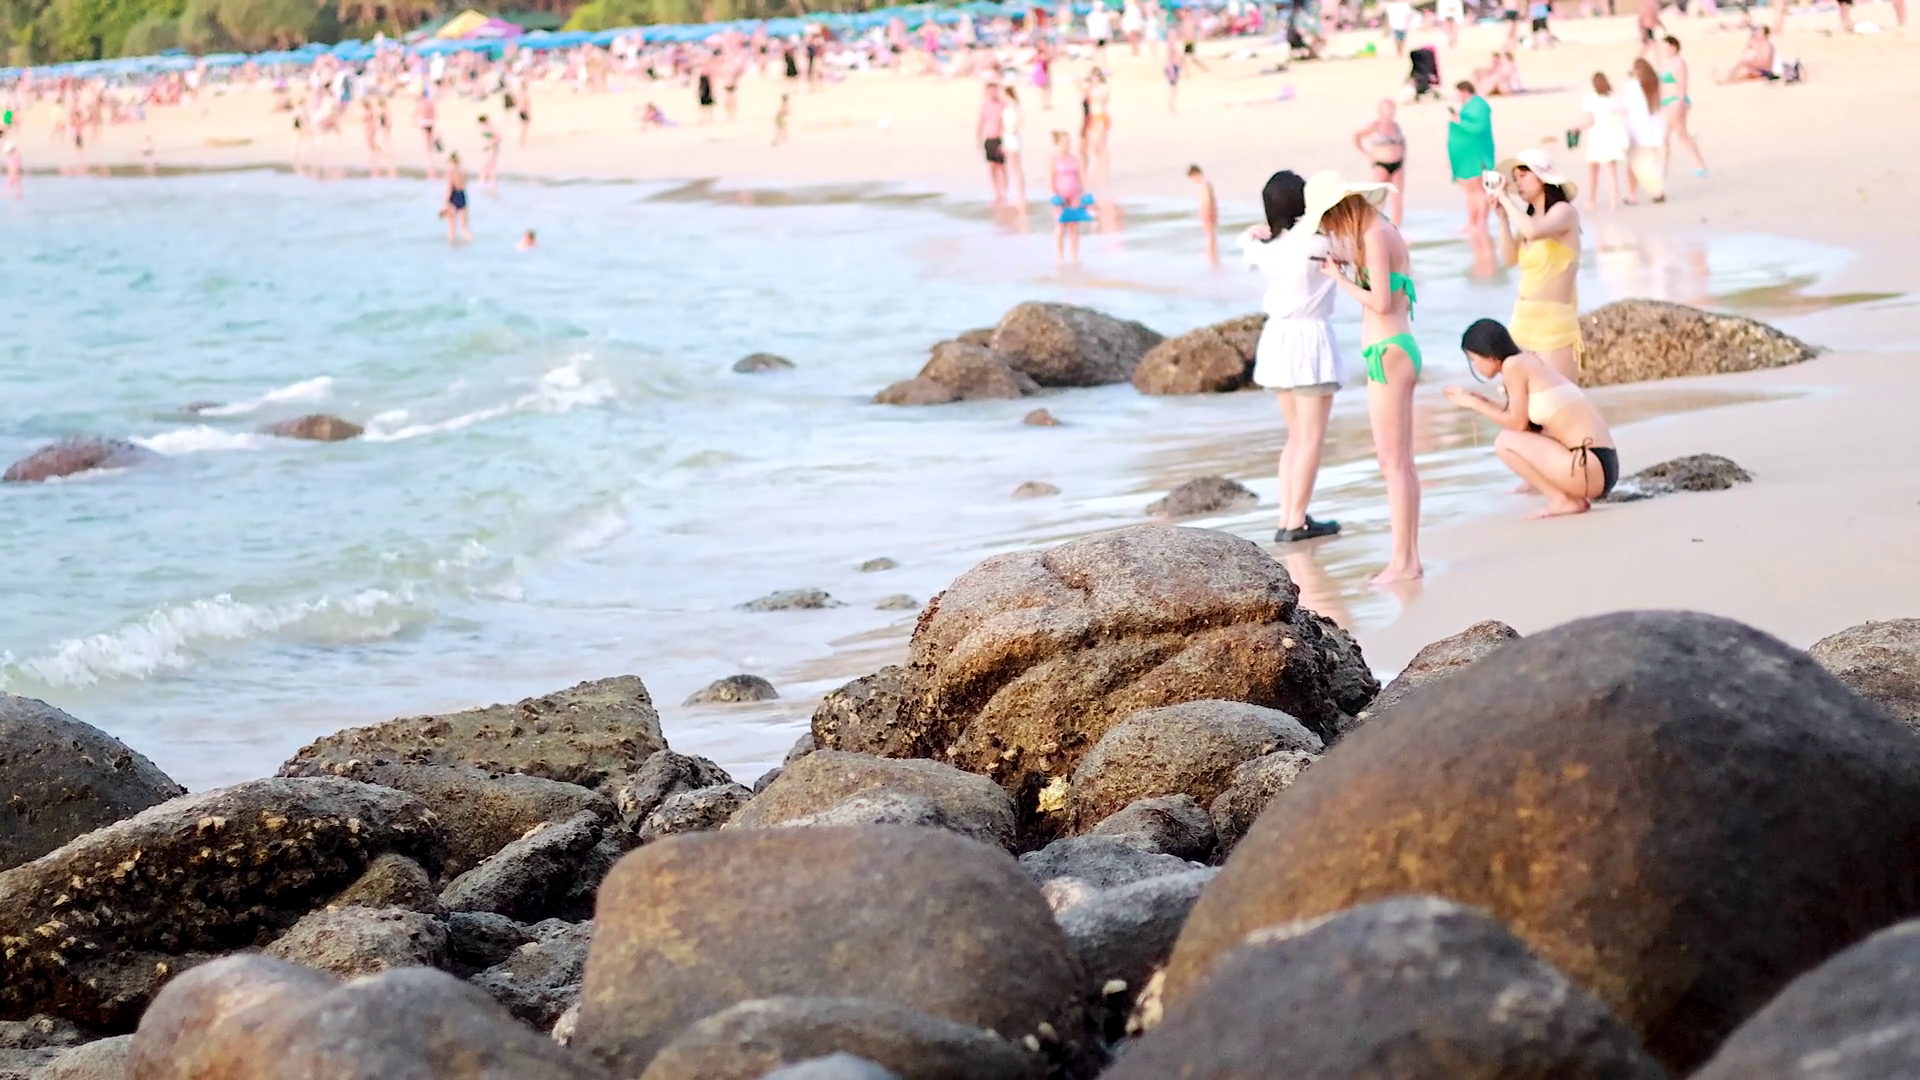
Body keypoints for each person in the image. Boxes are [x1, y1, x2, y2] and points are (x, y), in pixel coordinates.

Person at [1308, 171, 1424, 583]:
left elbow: (1380, 302)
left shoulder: (1374, 234)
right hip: (1396, 349)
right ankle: (1407, 559)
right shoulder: (1382, 228)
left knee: (1394, 464)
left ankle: (1404, 563)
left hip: (1387, 352)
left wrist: (1339, 279)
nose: (1329, 229)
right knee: (1400, 463)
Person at [1239, 170, 1345, 542]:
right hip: (1310, 339)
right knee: (1310, 437)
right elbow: (1353, 252)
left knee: (1296, 436)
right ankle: (1296, 520)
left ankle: (1288, 515)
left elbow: (1248, 244)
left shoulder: (1266, 247)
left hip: (1277, 339)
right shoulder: (1319, 244)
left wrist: (1255, 232)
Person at [1446, 318, 1618, 518]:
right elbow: (1526, 422)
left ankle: (1563, 500)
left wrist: (1474, 404)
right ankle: (1564, 498)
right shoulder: (1527, 362)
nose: (1475, 366)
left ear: (1488, 354)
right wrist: (1484, 402)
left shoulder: (1513, 366)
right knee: (1514, 437)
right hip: (1601, 466)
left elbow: (1517, 424)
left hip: (1587, 467)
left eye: (1473, 359)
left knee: (1505, 441)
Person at [1489, 148, 1583, 381]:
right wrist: (1503, 218)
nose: (1518, 183)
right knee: (1520, 400)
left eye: (1523, 176)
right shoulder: (1529, 219)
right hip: (1522, 319)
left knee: (1556, 397)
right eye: (1515, 178)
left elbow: (1534, 231)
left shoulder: (1564, 212)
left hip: (1553, 322)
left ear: (1542, 178)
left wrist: (1505, 199)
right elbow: (1509, 259)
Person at [1571, 72, 1628, 210]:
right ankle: (1614, 202)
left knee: (1592, 172)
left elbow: (1590, 121)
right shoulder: (1614, 99)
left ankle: (1591, 201)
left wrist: (1576, 128)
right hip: (1612, 138)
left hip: (1597, 138)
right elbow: (1622, 116)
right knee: (1611, 172)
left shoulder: (1590, 100)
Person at [1447, 81, 1496, 233]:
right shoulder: (1467, 107)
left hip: (1476, 154)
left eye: (1457, 93)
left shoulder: (1479, 105)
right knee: (1469, 190)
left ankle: (1481, 222)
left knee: (1477, 189)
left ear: (1464, 91)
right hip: (1463, 156)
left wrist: (1459, 121)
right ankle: (1472, 221)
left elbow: (1479, 127)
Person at [1353, 98, 1407, 225]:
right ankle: (1375, 223)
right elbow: (1356, 136)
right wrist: (1366, 152)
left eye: (1392, 108)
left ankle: (1396, 225)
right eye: (1387, 108)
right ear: (1380, 110)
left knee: (1397, 197)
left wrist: (1403, 156)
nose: (1390, 111)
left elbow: (1402, 142)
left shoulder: (1396, 126)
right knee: (1379, 196)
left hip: (1398, 164)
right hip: (1381, 164)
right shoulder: (1374, 125)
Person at [1660, 37, 1708, 177]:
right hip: (1667, 102)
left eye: (1667, 46)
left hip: (1676, 101)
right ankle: (1663, 169)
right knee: (1664, 136)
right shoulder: (1669, 63)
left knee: (1682, 135)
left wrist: (1680, 104)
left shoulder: (1680, 63)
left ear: (1674, 47)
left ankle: (1700, 165)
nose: (1665, 50)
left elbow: (1682, 85)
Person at [1624, 58, 1668, 204]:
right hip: (1655, 133)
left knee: (1638, 165)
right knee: (1646, 164)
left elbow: (1628, 108)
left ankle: (1653, 191)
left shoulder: (1633, 86)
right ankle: (1635, 194)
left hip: (1638, 132)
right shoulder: (1655, 86)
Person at [1050, 130, 1093, 267]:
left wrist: (1084, 195)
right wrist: (1054, 196)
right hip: (1061, 196)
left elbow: (1081, 177)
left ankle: (1075, 257)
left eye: (1068, 142)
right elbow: (1051, 180)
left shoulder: (1075, 159)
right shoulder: (1053, 159)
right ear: (1058, 143)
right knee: (1060, 227)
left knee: (1074, 227)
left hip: (1075, 194)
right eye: (1064, 142)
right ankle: (1059, 258)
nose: (1067, 144)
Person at [978, 82, 1008, 207]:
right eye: (990, 91)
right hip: (989, 139)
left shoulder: (1003, 104)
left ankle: (1004, 194)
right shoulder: (984, 106)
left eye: (994, 91)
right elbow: (981, 122)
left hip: (1000, 138)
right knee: (991, 168)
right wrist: (978, 139)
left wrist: (1005, 141)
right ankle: (996, 194)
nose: (992, 93)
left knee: (1002, 167)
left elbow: (1007, 123)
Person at [1189, 164, 1219, 265]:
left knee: (1208, 232)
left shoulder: (1203, 184)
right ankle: (1212, 251)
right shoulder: (1206, 183)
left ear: (1195, 174)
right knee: (1210, 231)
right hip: (1210, 209)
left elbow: (1206, 199)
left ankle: (1210, 251)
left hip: (1207, 209)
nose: (1192, 180)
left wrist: (1205, 211)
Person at [1002, 87, 1027, 208]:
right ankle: (1016, 194)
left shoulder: (1014, 106)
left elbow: (1021, 119)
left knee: (1016, 167)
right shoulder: (1007, 106)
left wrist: (1013, 128)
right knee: (1012, 166)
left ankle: (1020, 195)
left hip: (1013, 136)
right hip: (1007, 136)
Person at [444, 152, 472, 244]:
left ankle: (451, 246)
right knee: (464, 228)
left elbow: (449, 188)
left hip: (454, 196)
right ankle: (470, 243)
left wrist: (445, 204)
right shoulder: (464, 172)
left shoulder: (450, 173)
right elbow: (464, 185)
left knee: (451, 228)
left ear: (451, 162)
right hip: (462, 196)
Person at [478, 113, 500, 189]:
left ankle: (491, 182)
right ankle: (483, 181)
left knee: (489, 165)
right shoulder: (483, 128)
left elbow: (499, 137)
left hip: (492, 148)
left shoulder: (492, 127)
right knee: (485, 164)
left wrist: (491, 145)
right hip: (486, 148)